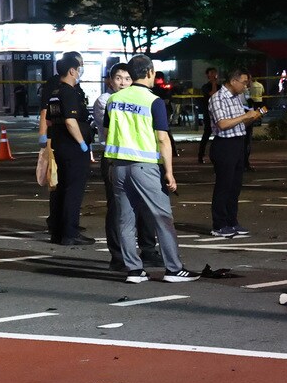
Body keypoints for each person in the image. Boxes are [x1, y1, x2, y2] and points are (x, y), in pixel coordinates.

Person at [104, 55, 198, 283]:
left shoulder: (113, 100)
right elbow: (163, 139)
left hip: (117, 166)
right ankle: (174, 269)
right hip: (144, 167)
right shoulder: (153, 101)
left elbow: (107, 133)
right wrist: (169, 172)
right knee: (162, 217)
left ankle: (134, 271)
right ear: (149, 73)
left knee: (125, 220)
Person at [95, 63, 161, 269]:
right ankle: (118, 256)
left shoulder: (136, 98)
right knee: (118, 209)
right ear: (110, 80)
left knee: (145, 206)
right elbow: (110, 129)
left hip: (139, 157)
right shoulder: (107, 100)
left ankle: (148, 249)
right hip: (115, 158)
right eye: (118, 78)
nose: (122, 82)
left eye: (127, 78)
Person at [41, 56, 92, 245]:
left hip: (59, 144)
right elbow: (71, 121)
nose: (80, 72)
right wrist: (82, 143)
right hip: (72, 147)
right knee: (73, 190)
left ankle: (58, 231)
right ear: (72, 71)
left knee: (60, 189)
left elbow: (48, 119)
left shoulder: (54, 92)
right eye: (79, 68)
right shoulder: (69, 92)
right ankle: (70, 233)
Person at [209, 69, 266, 238]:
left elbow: (240, 124)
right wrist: (244, 117)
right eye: (244, 82)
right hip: (224, 145)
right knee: (223, 186)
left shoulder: (236, 98)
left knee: (235, 186)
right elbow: (223, 124)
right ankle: (219, 225)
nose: (245, 86)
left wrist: (253, 117)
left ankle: (232, 221)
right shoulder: (218, 98)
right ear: (233, 81)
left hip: (238, 143)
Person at [196, 67, 221, 164]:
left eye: (215, 73)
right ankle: (200, 155)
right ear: (208, 75)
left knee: (220, 134)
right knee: (207, 133)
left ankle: (217, 155)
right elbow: (213, 95)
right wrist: (214, 83)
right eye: (212, 73)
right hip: (208, 112)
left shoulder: (220, 87)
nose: (214, 75)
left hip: (218, 112)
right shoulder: (205, 87)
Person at [244, 73, 266, 170]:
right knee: (246, 142)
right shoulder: (244, 91)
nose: (250, 82)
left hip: (249, 116)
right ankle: (244, 164)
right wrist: (261, 111)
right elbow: (248, 106)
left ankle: (245, 163)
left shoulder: (247, 91)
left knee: (246, 142)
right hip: (246, 119)